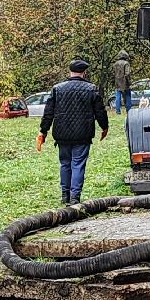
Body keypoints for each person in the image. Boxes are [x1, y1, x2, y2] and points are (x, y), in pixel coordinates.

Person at [38, 59, 108, 205]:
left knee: (65, 164)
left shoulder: (57, 89)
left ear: (70, 72)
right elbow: (100, 111)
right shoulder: (91, 89)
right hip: (83, 134)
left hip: (62, 134)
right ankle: (75, 197)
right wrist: (104, 127)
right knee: (78, 164)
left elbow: (48, 113)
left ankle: (65, 195)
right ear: (84, 72)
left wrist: (43, 131)